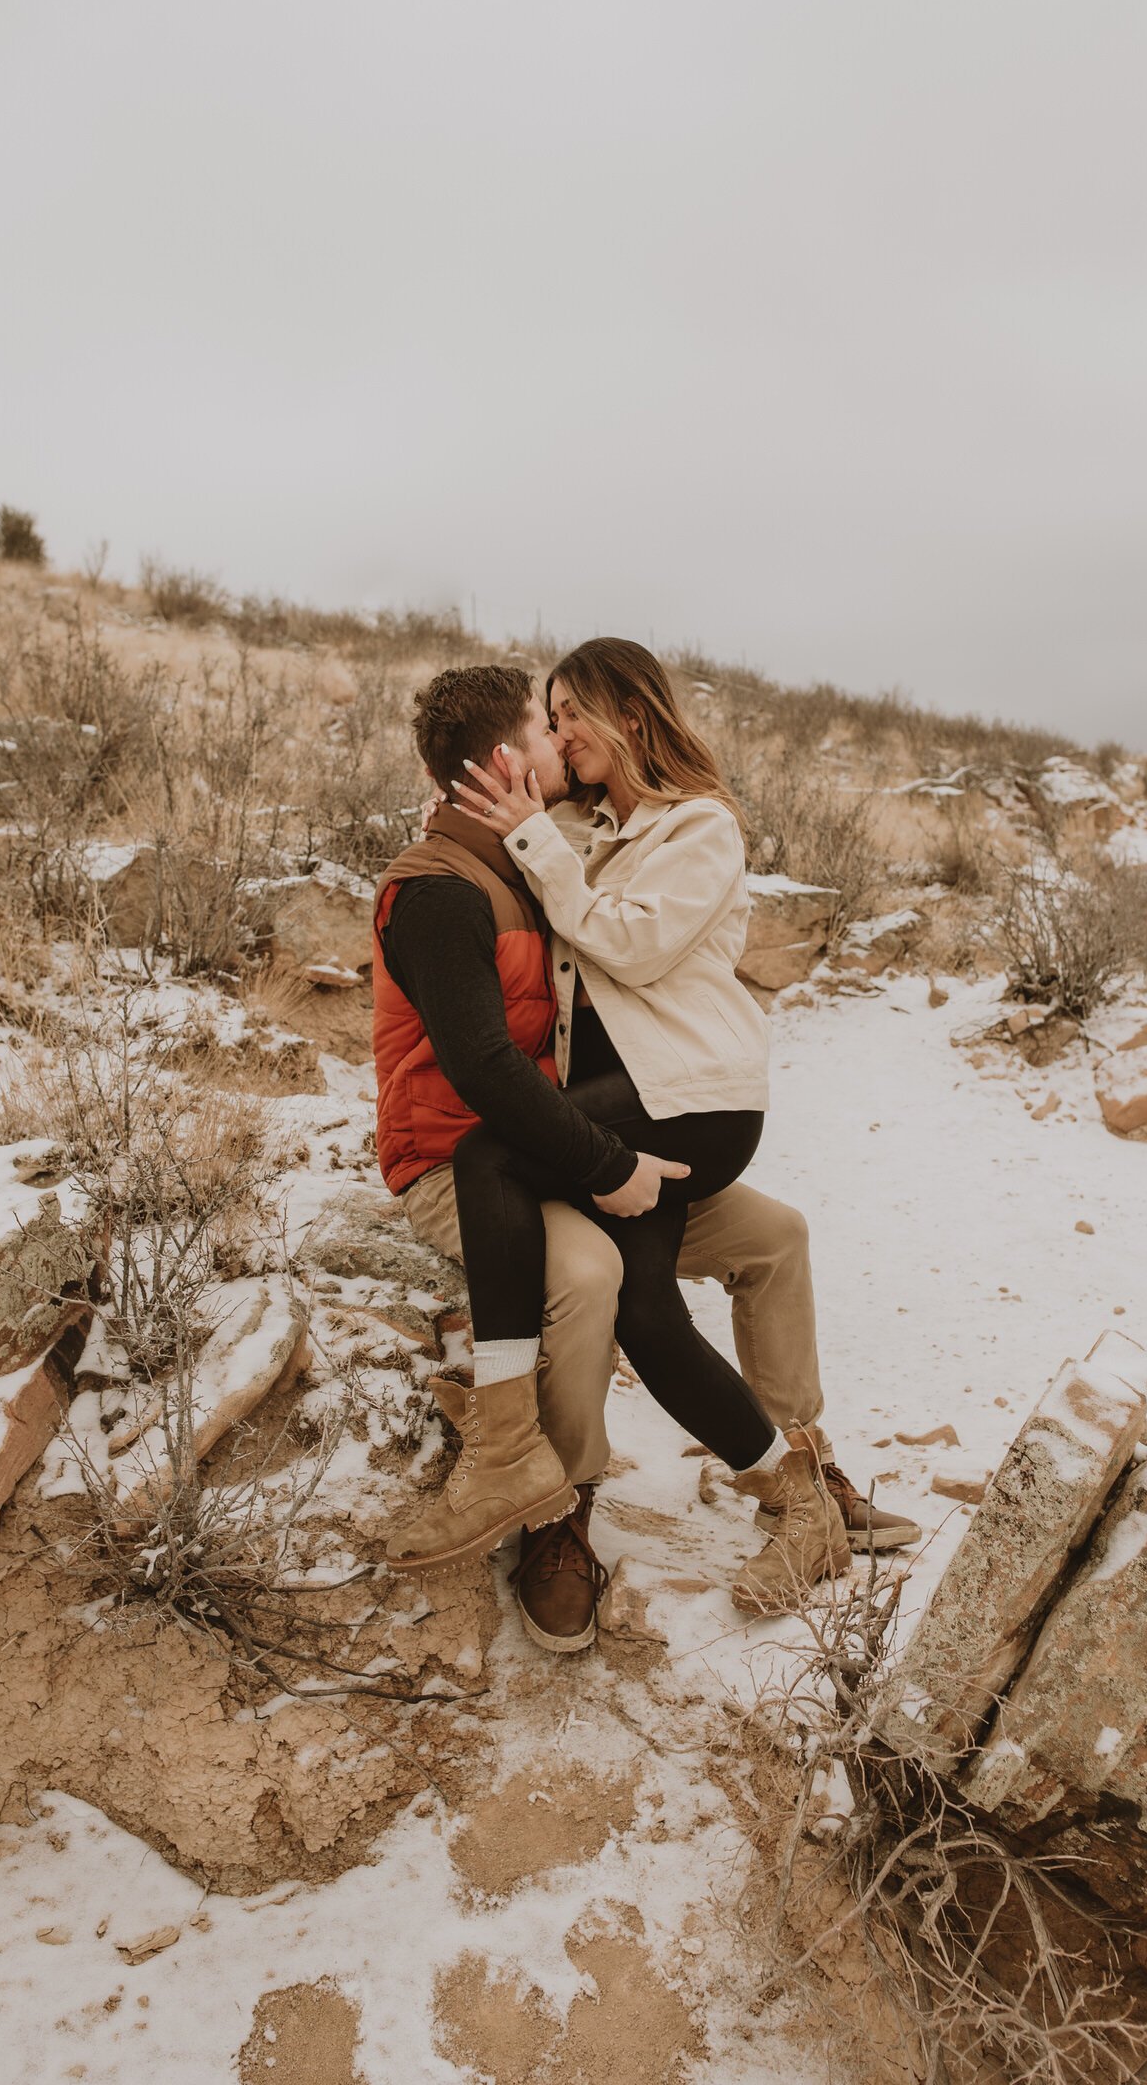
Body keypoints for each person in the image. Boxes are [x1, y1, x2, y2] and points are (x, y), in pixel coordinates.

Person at [370, 659, 918, 1646]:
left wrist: (508, 816)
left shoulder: (680, 826)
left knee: (757, 1243)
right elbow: (486, 1051)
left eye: (570, 718)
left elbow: (622, 938)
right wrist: (464, 812)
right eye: (547, 726)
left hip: (660, 1112)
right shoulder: (480, 870)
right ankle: (560, 1503)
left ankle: (800, 1469)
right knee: (617, 1276)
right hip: (562, 1129)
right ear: (509, 761)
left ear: (622, 721)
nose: (561, 740)